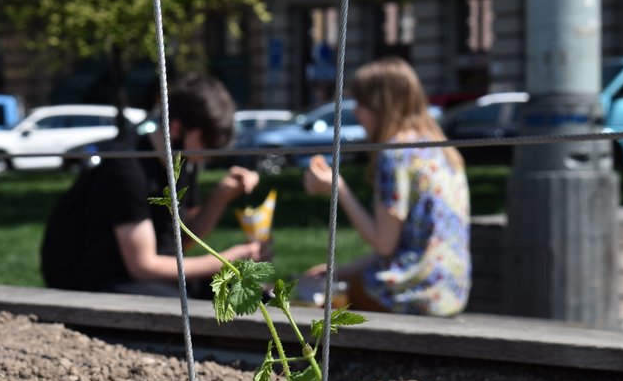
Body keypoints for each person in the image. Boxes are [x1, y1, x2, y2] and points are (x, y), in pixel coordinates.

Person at [40, 73, 268, 296]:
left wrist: (221, 196)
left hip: (142, 279)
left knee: (249, 294)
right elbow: (142, 265)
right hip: (97, 283)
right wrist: (224, 262)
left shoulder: (184, 160)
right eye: (206, 142)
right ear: (177, 129)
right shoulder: (126, 169)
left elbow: (183, 240)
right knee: (186, 306)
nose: (209, 155)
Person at [303, 56, 471, 316]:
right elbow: (407, 245)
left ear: (382, 105)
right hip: (450, 291)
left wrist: (338, 189)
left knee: (320, 298)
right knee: (336, 282)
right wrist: (341, 269)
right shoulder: (438, 147)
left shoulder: (394, 152)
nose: (356, 112)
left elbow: (384, 243)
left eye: (362, 103)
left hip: (415, 292)